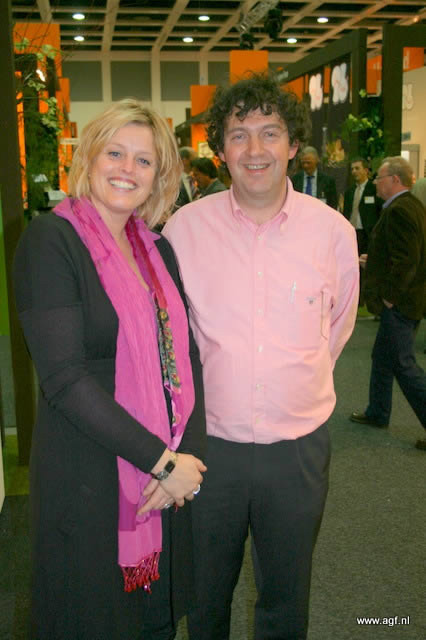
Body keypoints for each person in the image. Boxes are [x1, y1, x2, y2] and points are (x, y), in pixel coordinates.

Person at [163, 73, 359, 640]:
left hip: (297, 451)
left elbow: (338, 327)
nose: (255, 149)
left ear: (293, 144)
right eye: (238, 134)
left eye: (269, 133)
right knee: (204, 596)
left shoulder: (332, 232)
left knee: (286, 597)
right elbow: (171, 336)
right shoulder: (183, 229)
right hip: (208, 450)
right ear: (220, 149)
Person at [13, 99, 207, 640]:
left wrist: (188, 462)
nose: (127, 169)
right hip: (89, 473)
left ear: (159, 176)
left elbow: (186, 358)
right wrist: (162, 463)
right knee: (97, 621)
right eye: (115, 153)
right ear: (89, 158)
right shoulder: (51, 241)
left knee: (156, 622)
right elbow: (64, 380)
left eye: (144, 160)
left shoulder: (158, 250)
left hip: (166, 474)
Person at [350, 157, 426, 451]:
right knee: (383, 358)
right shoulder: (411, 206)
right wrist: (376, 260)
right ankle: (378, 411)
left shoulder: (399, 210)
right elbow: (405, 253)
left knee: (404, 366)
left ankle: (379, 411)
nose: (375, 182)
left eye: (379, 177)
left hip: (401, 303)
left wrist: (390, 296)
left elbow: (407, 261)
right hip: (408, 299)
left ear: (394, 179)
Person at [343, 157, 382, 305]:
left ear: (366, 170)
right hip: (353, 234)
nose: (354, 171)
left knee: (368, 267)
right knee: (354, 267)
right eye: (352, 169)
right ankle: (356, 300)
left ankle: (369, 299)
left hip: (369, 234)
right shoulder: (349, 191)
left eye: (357, 168)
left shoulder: (374, 189)